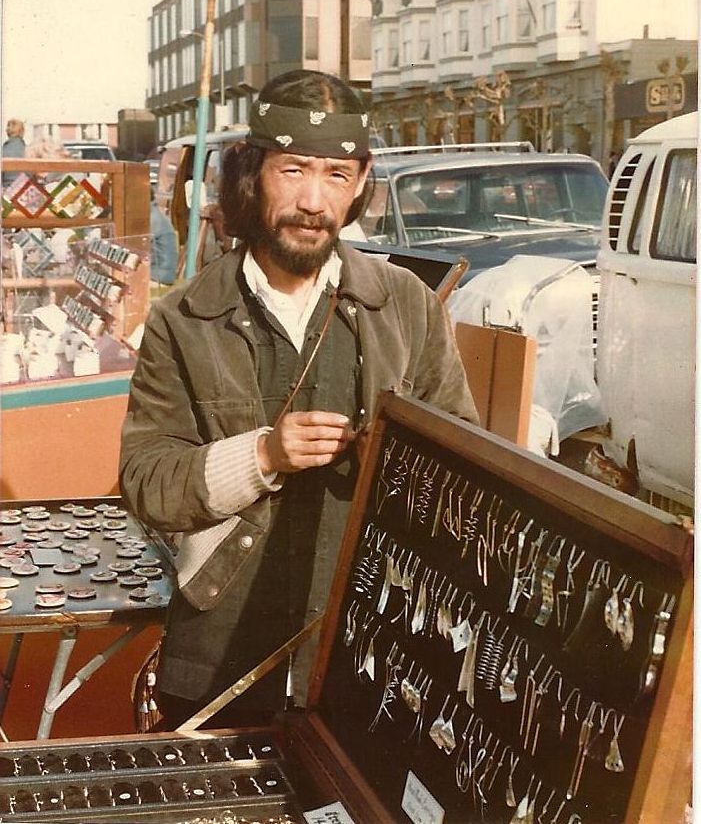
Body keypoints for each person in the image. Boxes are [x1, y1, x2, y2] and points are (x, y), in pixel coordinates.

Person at [120, 69, 478, 729]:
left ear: (361, 183)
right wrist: (263, 455)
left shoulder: (407, 305)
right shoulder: (184, 319)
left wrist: (396, 465)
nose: (313, 201)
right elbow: (146, 483)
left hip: (368, 654)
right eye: (293, 170)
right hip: (219, 656)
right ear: (253, 175)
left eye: (336, 175)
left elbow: (463, 471)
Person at [149, 188, 178, 286]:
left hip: (160, 276)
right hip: (159, 272)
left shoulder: (153, 218)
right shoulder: (154, 214)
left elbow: (136, 244)